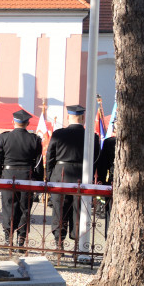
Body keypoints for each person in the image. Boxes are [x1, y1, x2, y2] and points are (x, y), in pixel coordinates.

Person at [46, 104, 100, 248]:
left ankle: (59, 243)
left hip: (60, 175)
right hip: (81, 175)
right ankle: (78, 243)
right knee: (79, 211)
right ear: (83, 118)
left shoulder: (58, 134)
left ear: (69, 116)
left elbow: (50, 158)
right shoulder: (92, 136)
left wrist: (50, 177)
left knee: (59, 211)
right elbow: (95, 160)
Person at [0, 109, 42, 250]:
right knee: (24, 208)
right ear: (28, 123)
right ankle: (21, 239)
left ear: (13, 122)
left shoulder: (4, 137)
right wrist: (38, 179)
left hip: (8, 175)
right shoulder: (35, 139)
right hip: (27, 176)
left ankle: (8, 238)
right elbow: (39, 162)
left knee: (8, 207)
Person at [95, 124, 116, 235]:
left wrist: (102, 181)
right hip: (114, 179)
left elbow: (102, 165)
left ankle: (109, 235)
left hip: (113, 180)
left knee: (110, 212)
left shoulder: (109, 142)